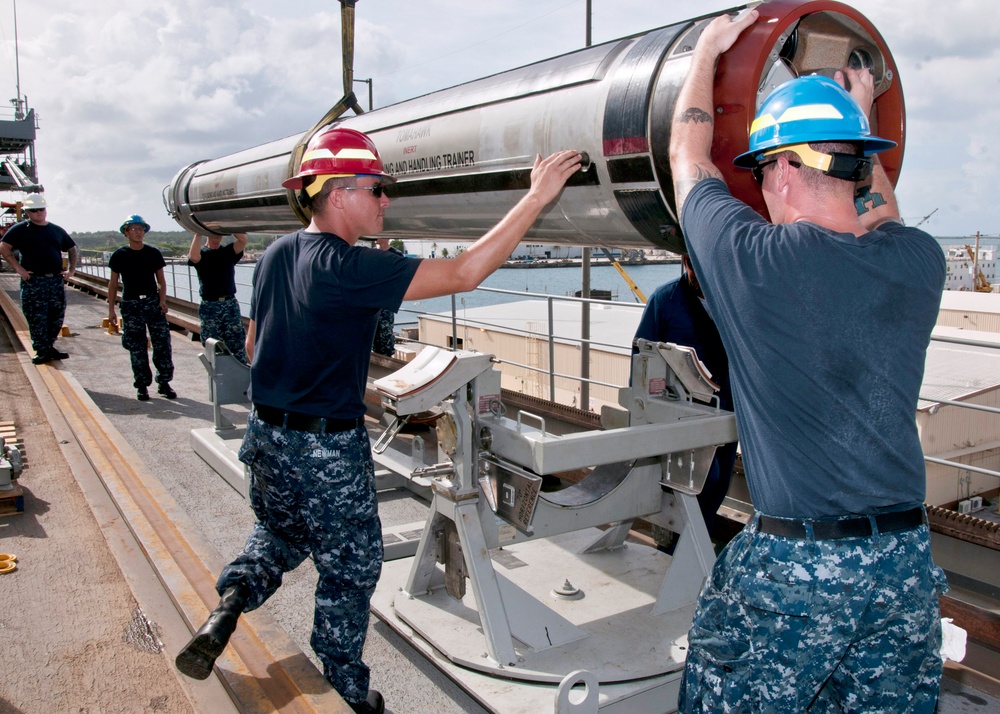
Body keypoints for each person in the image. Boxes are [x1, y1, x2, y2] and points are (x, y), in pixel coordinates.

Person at [174, 125, 581, 714]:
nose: (386, 201)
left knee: (278, 536)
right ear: (337, 193)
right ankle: (345, 691)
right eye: (376, 189)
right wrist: (536, 197)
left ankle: (227, 607)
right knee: (350, 569)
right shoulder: (349, 265)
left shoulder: (278, 254)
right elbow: (465, 273)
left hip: (266, 437)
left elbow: (256, 347)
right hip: (324, 449)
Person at [669, 10, 948, 712]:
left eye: (764, 171)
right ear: (855, 164)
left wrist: (705, 53)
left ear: (786, 169)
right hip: (906, 565)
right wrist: (856, 119)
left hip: (804, 570)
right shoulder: (919, 264)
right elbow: (882, 211)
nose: (760, 187)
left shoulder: (757, 264)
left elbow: (688, 159)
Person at [633, 254, 736, 543]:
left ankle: (694, 551)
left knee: (717, 486)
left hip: (727, 410)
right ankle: (673, 550)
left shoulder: (735, 298)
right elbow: (641, 360)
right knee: (696, 485)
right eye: (691, 265)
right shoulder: (664, 301)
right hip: (682, 418)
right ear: (684, 261)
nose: (696, 274)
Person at [0, 194, 79, 364]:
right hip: (34, 281)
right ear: (28, 212)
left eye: (41, 209)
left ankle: (49, 346)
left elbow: (72, 248)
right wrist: (18, 269)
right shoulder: (20, 229)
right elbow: (4, 248)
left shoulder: (56, 230)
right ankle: (41, 350)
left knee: (56, 317)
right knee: (36, 317)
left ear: (46, 210)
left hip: (55, 281)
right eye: (34, 210)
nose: (38, 213)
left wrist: (71, 270)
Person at [107, 215, 177, 401]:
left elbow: (161, 280)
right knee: (136, 347)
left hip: (152, 303)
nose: (138, 232)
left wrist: (162, 300)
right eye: (134, 229)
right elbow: (113, 284)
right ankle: (142, 385)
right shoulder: (119, 255)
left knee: (162, 344)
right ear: (126, 232)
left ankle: (164, 382)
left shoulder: (153, 253)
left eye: (141, 229)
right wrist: (111, 310)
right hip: (131, 304)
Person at [188, 232, 249, 363]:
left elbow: (243, 240)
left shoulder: (228, 252)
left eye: (219, 233)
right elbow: (193, 257)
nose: (217, 236)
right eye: (213, 233)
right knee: (213, 344)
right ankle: (217, 379)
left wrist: (227, 226)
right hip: (210, 305)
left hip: (229, 303)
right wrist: (199, 231)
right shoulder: (202, 253)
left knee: (237, 343)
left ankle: (239, 378)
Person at [371, 237, 403, 357]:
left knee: (385, 335)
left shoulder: (396, 255)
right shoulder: (370, 254)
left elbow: (401, 279)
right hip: (371, 303)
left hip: (386, 303)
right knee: (371, 334)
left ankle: (386, 362)